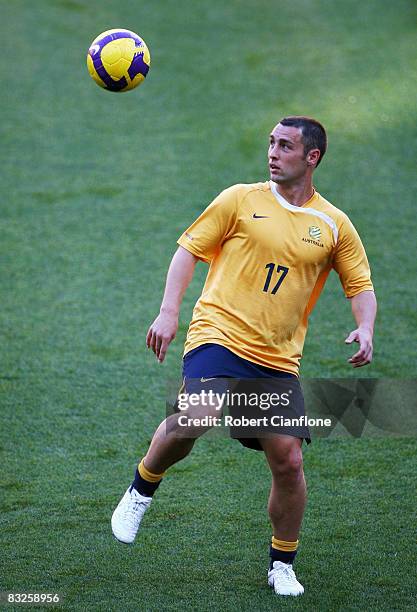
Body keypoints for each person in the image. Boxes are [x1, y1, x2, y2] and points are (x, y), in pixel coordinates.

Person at [111, 116, 377, 597]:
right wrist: (169, 312)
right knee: (197, 414)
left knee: (289, 460)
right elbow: (188, 251)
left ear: (312, 157)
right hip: (218, 334)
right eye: (271, 143)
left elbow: (359, 285)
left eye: (285, 146)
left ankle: (282, 564)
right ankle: (141, 489)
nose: (273, 152)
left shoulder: (333, 224)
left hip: (275, 360)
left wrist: (365, 326)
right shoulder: (240, 199)